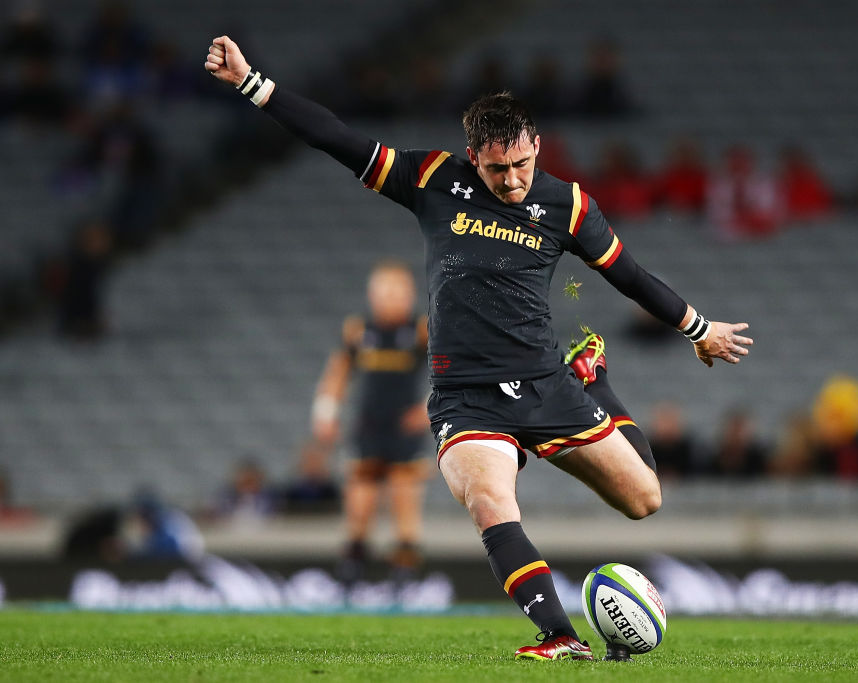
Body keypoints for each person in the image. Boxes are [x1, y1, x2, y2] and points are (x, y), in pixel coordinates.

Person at [205, 36, 753, 660]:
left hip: (547, 385)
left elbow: (629, 275)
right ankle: (557, 638)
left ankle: (592, 379)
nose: (514, 180)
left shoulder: (568, 205)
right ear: (474, 156)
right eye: (498, 169)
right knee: (492, 502)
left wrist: (698, 328)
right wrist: (254, 83)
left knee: (645, 500)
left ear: (536, 146)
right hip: (468, 399)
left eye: (522, 163)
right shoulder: (434, 179)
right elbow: (337, 138)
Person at [310, 261, 431, 580]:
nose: (391, 298)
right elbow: (338, 373)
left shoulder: (421, 329)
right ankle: (354, 558)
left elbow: (450, 368)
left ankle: (405, 561)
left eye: (398, 291)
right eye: (384, 291)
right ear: (372, 295)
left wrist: (430, 406)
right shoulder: (359, 330)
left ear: (410, 294)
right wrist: (326, 411)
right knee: (361, 494)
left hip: (405, 425)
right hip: (369, 423)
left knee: (404, 492)